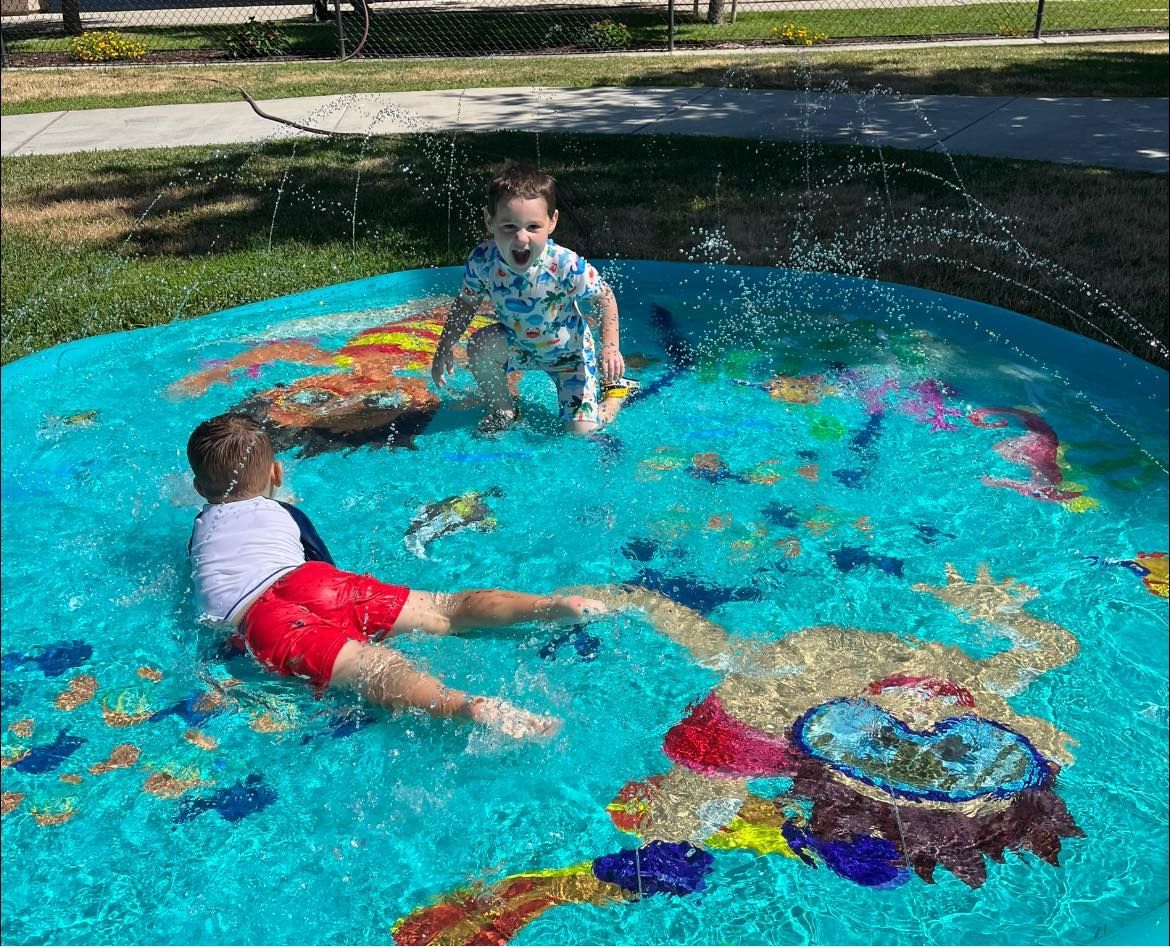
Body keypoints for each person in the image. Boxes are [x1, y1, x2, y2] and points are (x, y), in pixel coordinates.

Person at [185, 413, 604, 738]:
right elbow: (321, 566)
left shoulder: (201, 529)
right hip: (312, 582)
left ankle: (460, 705)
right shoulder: (285, 513)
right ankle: (554, 607)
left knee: (372, 668)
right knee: (445, 608)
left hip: (261, 619)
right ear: (277, 473)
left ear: (199, 489)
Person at [430, 160, 638, 435]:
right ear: (489, 220)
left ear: (552, 222)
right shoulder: (483, 261)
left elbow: (605, 297)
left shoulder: (565, 265)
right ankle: (503, 408)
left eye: (532, 227)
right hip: (519, 345)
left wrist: (610, 347)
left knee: (581, 432)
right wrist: (445, 345)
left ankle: (616, 395)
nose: (521, 238)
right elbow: (467, 302)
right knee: (480, 344)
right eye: (508, 226)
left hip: (569, 355)